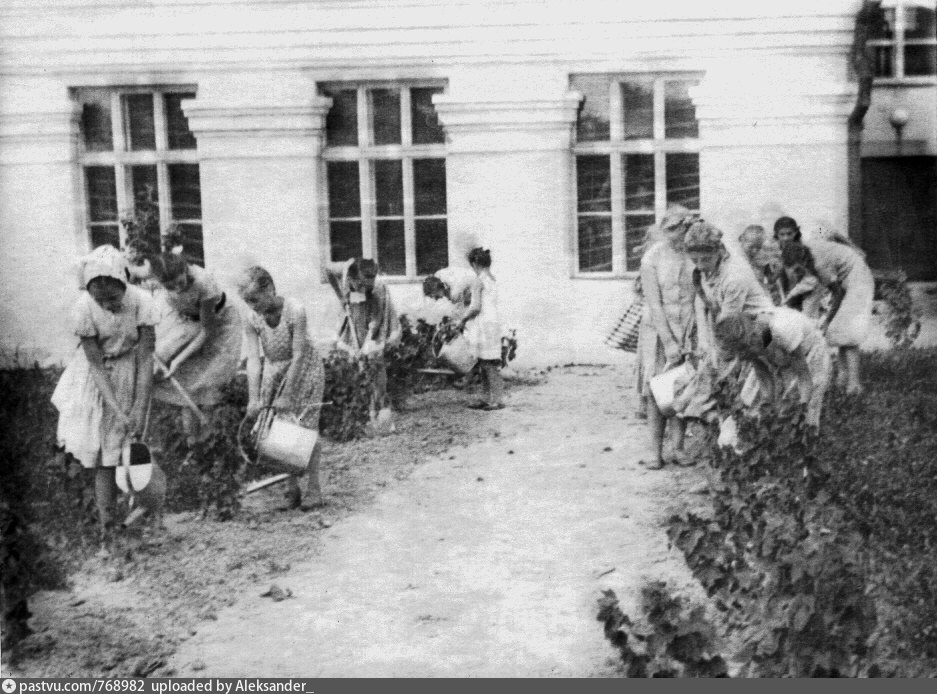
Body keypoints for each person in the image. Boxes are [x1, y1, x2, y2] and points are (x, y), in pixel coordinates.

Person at [51, 245, 157, 542]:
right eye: (100, 300)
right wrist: (116, 408)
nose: (107, 305)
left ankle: (142, 516)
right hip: (96, 381)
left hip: (131, 371)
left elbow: (146, 356)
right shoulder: (84, 308)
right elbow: (95, 365)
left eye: (113, 298)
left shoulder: (142, 302)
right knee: (104, 455)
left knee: (135, 448)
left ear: (125, 283)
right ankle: (107, 526)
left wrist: (138, 405)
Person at [237, 267, 325, 511]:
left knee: (306, 428)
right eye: (247, 301)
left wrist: (287, 394)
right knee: (278, 430)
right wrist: (253, 398)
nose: (252, 306)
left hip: (304, 369)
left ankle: (314, 488)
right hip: (274, 370)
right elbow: (253, 359)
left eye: (255, 299)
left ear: (269, 289)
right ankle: (291, 486)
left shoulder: (294, 310)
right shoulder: (252, 318)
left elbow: (298, 355)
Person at [149, 253, 242, 444]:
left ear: (184, 269)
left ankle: (210, 441)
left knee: (210, 383)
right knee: (182, 379)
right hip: (188, 322)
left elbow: (207, 331)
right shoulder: (162, 287)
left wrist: (177, 359)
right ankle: (192, 441)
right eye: (169, 286)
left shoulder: (203, 283)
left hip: (219, 325)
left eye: (179, 282)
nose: (176, 288)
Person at [638, 210, 697, 469]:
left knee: (682, 387)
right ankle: (655, 451)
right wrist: (670, 341)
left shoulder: (693, 254)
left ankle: (679, 448)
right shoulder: (652, 258)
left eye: (682, 230)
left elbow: (698, 295)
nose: (678, 236)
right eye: (672, 230)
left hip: (689, 328)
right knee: (657, 390)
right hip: (659, 331)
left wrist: (692, 335)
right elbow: (654, 304)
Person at [714, 308, 832, 429]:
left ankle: (807, 430)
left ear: (749, 341)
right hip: (779, 354)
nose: (740, 360)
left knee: (804, 412)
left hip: (808, 354)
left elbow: (804, 377)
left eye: (740, 354)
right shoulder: (755, 338)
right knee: (752, 402)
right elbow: (763, 374)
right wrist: (766, 402)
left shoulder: (782, 330)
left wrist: (801, 406)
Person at [785, 239, 873, 394]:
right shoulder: (806, 253)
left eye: (798, 269)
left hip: (859, 279)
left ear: (803, 260)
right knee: (841, 332)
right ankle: (842, 378)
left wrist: (827, 321)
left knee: (849, 334)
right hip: (846, 278)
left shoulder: (819, 265)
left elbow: (838, 293)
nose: (797, 274)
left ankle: (854, 385)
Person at [685, 220, 776, 365]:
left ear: (718, 251)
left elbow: (728, 324)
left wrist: (717, 356)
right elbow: (701, 298)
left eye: (705, 259)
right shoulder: (710, 264)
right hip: (734, 325)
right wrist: (703, 338)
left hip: (760, 329)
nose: (700, 266)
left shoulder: (734, 276)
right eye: (695, 260)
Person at [325, 258, 399, 419]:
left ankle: (380, 403)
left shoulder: (377, 288)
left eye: (368, 286)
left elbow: (376, 320)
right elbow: (327, 270)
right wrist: (340, 296)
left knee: (373, 355)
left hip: (374, 309)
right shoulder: (345, 269)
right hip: (353, 308)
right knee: (352, 353)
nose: (364, 289)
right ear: (352, 278)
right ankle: (361, 402)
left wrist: (367, 342)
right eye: (361, 285)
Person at [458, 248, 504, 411]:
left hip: (484, 324)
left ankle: (496, 399)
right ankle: (486, 398)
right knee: (485, 362)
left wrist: (463, 319)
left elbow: (475, 307)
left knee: (488, 364)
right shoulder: (492, 279)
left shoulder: (478, 281)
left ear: (475, 264)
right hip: (492, 323)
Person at [738, 224, 784, 305]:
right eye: (751, 247)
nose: (754, 251)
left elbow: (771, 281)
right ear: (742, 240)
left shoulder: (762, 257)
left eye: (758, 247)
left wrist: (776, 297)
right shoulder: (734, 257)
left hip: (757, 299)